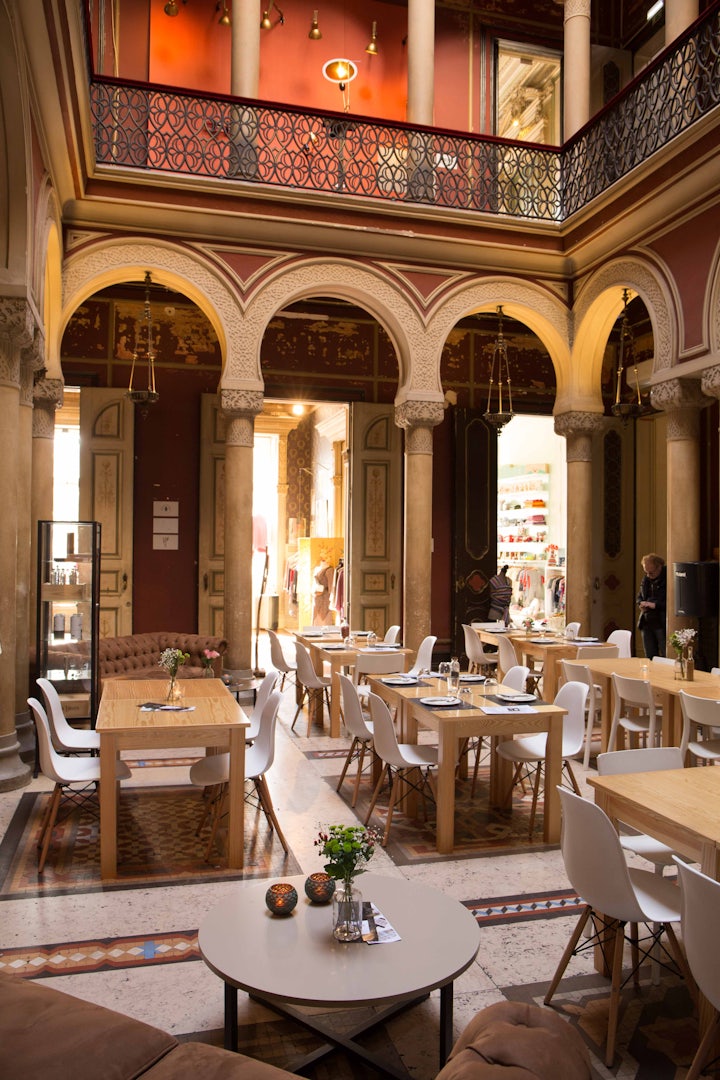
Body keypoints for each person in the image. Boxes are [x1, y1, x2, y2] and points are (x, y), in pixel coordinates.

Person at [637, 553, 666, 659]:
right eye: (646, 572)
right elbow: (639, 596)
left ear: (659, 567)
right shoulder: (646, 579)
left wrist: (655, 605)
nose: (648, 575)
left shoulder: (667, 578)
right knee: (649, 656)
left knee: (665, 654)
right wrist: (640, 603)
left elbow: (671, 602)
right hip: (646, 620)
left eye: (651, 573)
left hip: (660, 621)